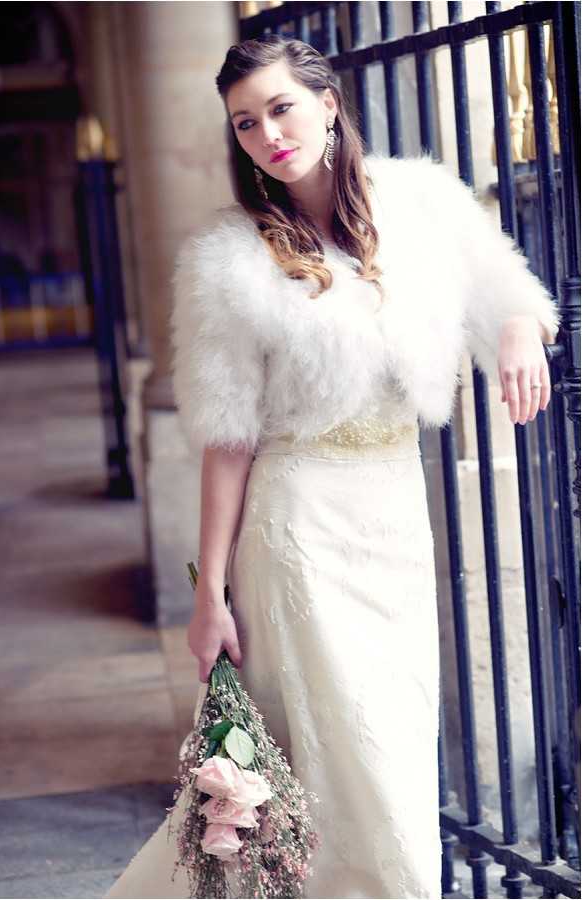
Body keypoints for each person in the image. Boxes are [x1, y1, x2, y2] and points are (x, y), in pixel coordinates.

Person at [105, 35, 560, 900]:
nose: (267, 134)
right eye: (246, 123)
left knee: (391, 745)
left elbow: (510, 291)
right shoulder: (227, 259)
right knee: (348, 761)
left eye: (280, 107)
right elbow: (226, 437)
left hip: (393, 520)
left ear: (327, 101)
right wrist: (209, 595)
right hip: (297, 526)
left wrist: (511, 326)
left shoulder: (422, 202)